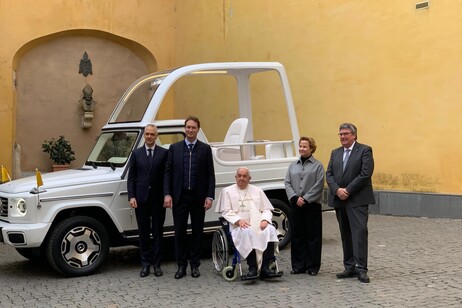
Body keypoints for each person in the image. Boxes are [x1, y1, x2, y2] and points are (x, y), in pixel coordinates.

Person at [163, 116, 216, 279]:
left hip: (198, 198)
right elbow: (168, 173)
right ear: (184, 129)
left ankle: (195, 265)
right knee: (179, 232)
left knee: (197, 232)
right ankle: (181, 266)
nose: (190, 130)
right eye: (188, 127)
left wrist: (209, 196)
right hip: (180, 197)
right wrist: (167, 194)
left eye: (193, 128)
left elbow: (210, 174)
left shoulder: (205, 149)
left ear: (198, 130)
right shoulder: (174, 148)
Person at [326, 123, 375, 283]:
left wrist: (347, 190)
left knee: (359, 233)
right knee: (345, 234)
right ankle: (349, 266)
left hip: (357, 199)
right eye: (340, 134)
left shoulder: (364, 150)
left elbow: (365, 174)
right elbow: (329, 174)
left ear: (354, 135)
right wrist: (337, 190)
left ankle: (361, 268)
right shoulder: (335, 153)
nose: (342, 137)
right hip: (340, 200)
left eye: (346, 134)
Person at [216, 167, 281, 279]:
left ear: (249, 178)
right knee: (247, 232)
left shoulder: (257, 190)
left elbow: (266, 209)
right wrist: (238, 220)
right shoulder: (227, 191)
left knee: (270, 229)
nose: (242, 178)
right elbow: (225, 211)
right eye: (239, 176)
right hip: (238, 226)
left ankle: (265, 267)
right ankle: (252, 268)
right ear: (235, 177)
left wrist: (265, 220)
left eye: (244, 176)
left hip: (258, 223)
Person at [127, 124, 168, 278]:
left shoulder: (164, 153)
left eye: (152, 134)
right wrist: (132, 196)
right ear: (144, 136)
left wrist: (166, 195)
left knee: (158, 233)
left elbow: (166, 176)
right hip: (141, 199)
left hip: (158, 200)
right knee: (143, 234)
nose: (149, 136)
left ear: (156, 136)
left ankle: (157, 264)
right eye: (147, 134)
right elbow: (131, 178)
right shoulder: (136, 154)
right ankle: (145, 265)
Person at [285, 136, 325, 276]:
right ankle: (298, 266)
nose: (302, 149)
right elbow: (287, 183)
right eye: (300, 146)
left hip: (311, 206)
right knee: (297, 236)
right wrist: (295, 198)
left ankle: (312, 266)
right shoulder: (292, 166)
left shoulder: (318, 166)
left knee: (313, 236)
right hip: (296, 205)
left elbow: (319, 185)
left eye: (305, 146)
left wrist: (306, 199)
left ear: (311, 148)